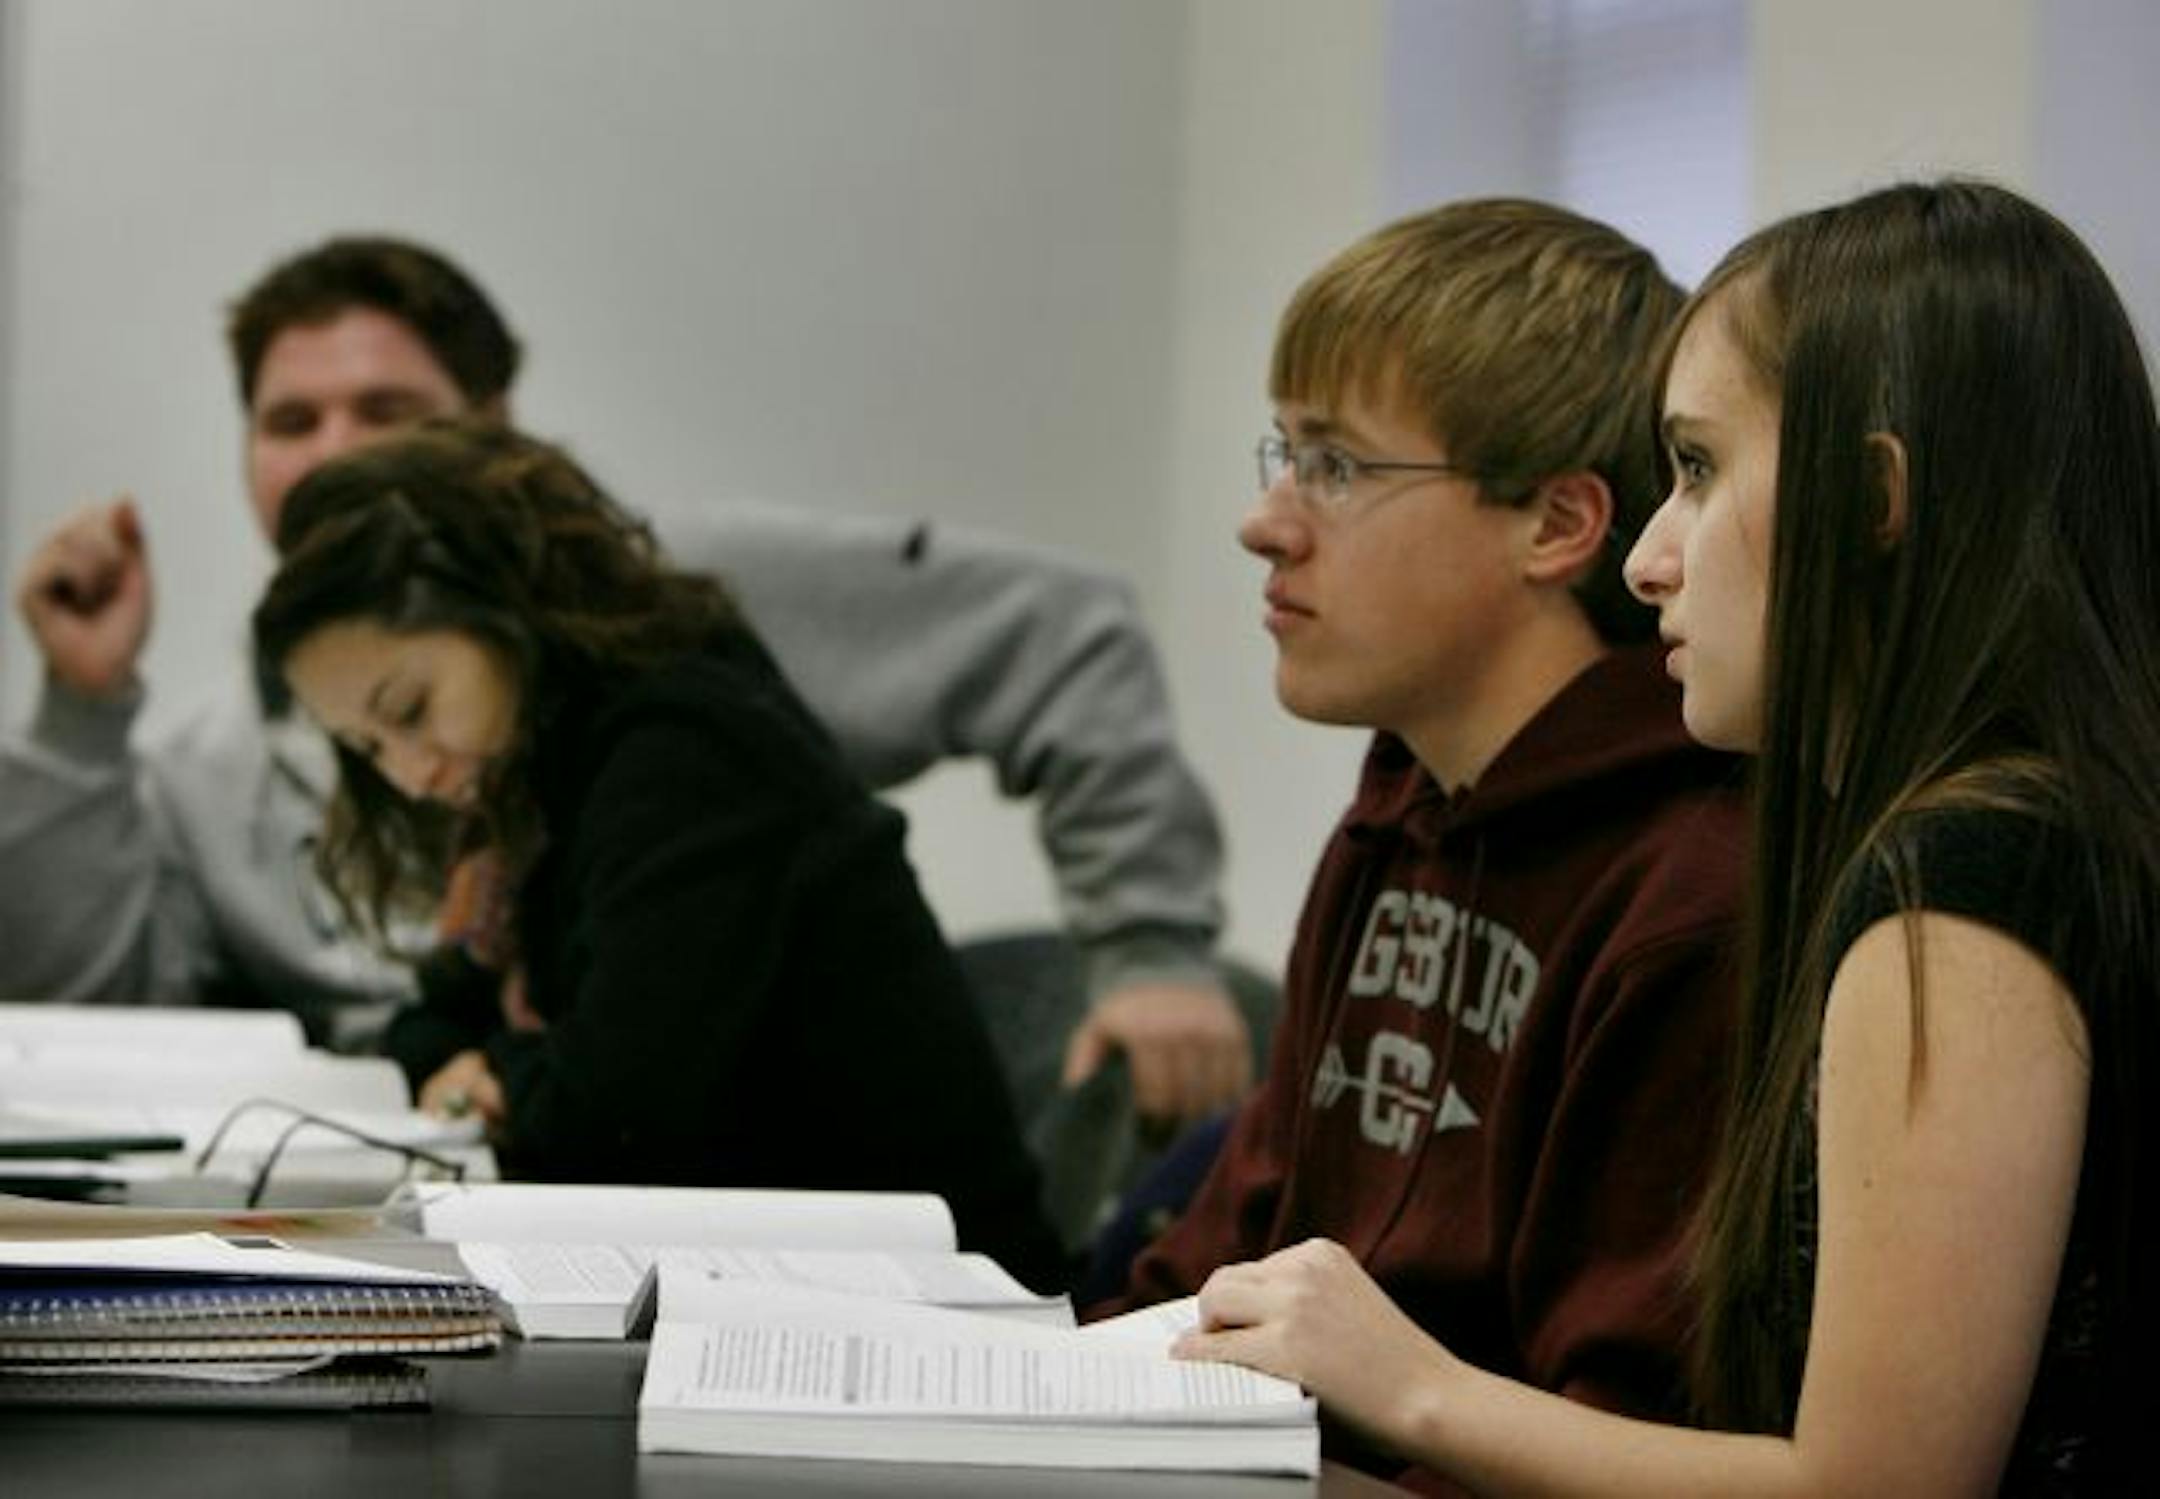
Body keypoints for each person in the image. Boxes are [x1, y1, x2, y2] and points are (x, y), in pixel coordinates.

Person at [1173, 179, 2160, 1495]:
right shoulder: (1991, 833)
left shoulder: (1965, 879)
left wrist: (1405, 1380)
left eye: (1697, 468)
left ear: (1870, 499)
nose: (1649, 559)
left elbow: (1884, 1485)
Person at [0, 235, 1250, 1129]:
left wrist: (1150, 944)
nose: (336, 453)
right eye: (290, 421)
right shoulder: (217, 748)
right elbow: (104, 1022)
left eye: (389, 406)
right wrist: (80, 712)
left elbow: (1061, 630)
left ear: (496, 428)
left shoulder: (668, 618)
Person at [1086, 199, 1748, 1489]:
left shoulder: (1692, 892)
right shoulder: (1400, 797)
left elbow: (1611, 1409)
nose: (1266, 521)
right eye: (1282, 453)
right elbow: (1231, 1250)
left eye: (1335, 466)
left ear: (1556, 526)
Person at [252, 418, 1067, 1289]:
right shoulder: (538, 773)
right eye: (369, 747)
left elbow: (611, 1120)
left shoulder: (685, 748)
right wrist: (490, 1074)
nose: (411, 773)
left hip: (947, 1308)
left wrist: (493, 1073)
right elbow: (430, 1023)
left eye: (410, 709)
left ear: (498, 611)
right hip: (791, 1284)